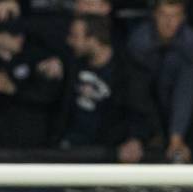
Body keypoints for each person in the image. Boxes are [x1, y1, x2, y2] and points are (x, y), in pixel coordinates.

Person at [60, 14, 152, 163]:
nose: (69, 41)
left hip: (107, 153)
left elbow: (140, 112)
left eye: (75, 36)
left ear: (93, 39)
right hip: (69, 150)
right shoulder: (72, 64)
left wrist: (135, 139)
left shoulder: (128, 72)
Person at [128, 0, 193, 162]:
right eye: (164, 15)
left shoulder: (191, 41)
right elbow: (138, 90)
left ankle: (177, 140)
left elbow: (186, 89)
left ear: (183, 18)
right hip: (145, 107)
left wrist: (176, 135)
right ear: (154, 15)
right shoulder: (139, 40)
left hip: (181, 108)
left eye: (175, 16)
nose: (169, 22)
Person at [0, 17, 65, 148]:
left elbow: (45, 97)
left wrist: (12, 89)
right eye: (13, 34)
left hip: (30, 139)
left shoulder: (35, 58)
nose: (20, 38)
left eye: (21, 33)